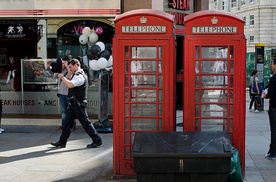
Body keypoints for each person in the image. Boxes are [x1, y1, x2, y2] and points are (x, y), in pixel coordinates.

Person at [51, 58, 102, 148]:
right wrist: (68, 72)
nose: (69, 69)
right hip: (73, 103)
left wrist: (62, 77)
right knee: (67, 123)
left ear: (76, 65)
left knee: (86, 123)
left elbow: (71, 85)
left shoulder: (79, 76)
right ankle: (62, 142)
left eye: (70, 67)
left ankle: (97, 140)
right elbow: (71, 80)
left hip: (78, 103)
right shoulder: (77, 74)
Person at [54, 58, 76, 131]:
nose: (63, 65)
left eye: (64, 63)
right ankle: (64, 125)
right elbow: (54, 76)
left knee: (70, 111)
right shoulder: (61, 71)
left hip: (68, 94)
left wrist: (67, 65)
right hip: (61, 93)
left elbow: (70, 76)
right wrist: (58, 67)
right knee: (63, 111)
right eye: (62, 63)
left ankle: (71, 125)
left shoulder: (70, 71)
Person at [264, 58, 276, 159]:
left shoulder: (273, 78)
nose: (271, 66)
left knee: (274, 130)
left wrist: (266, 95)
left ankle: (273, 152)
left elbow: (270, 93)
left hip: (274, 107)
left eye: (272, 64)